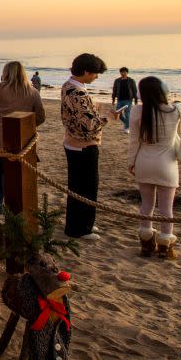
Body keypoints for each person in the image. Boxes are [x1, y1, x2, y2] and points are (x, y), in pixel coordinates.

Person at [127, 77, 181, 260]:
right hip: (166, 164)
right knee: (166, 209)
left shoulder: (137, 111)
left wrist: (131, 162)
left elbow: (134, 141)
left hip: (144, 162)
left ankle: (146, 245)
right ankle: (165, 248)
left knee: (146, 206)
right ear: (163, 91)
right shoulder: (175, 110)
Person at [0, 61, 46, 220]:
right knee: (19, 175)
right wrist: (26, 128)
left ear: (7, 73)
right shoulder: (33, 92)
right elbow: (41, 117)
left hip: (0, 139)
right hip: (22, 140)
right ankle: (17, 210)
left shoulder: (0, 88)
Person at [60, 53, 115, 240]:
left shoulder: (68, 85)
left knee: (78, 186)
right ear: (85, 71)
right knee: (87, 187)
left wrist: (93, 111)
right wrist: (109, 118)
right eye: (95, 73)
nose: (96, 77)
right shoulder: (78, 92)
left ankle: (82, 223)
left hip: (73, 142)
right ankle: (81, 228)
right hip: (83, 144)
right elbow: (89, 124)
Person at [112, 67, 139, 134]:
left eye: (124, 72)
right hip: (120, 100)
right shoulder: (117, 81)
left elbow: (134, 90)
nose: (123, 73)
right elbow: (114, 90)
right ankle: (128, 124)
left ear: (127, 72)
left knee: (127, 114)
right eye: (121, 72)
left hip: (128, 100)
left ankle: (127, 128)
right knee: (118, 114)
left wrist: (136, 100)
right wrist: (113, 99)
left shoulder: (131, 80)